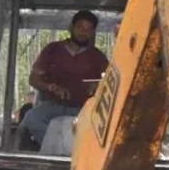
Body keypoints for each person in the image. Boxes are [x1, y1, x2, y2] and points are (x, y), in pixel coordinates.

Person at [20, 10, 109, 144]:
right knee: (32, 118)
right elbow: (33, 79)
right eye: (80, 27)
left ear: (92, 33)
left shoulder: (98, 57)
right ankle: (56, 149)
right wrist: (51, 87)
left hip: (82, 109)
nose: (83, 32)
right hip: (52, 105)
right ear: (71, 27)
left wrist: (97, 88)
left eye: (88, 29)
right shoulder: (52, 50)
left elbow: (107, 85)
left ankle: (70, 152)